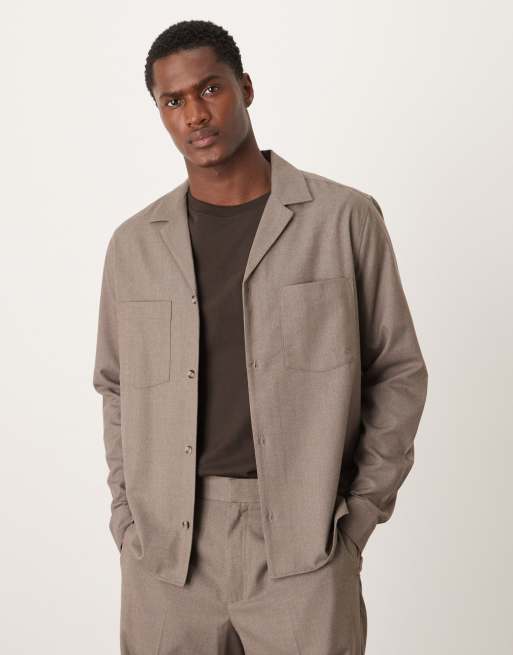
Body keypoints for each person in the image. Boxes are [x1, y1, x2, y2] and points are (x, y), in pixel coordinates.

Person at [92, 18, 429, 655]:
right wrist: (127, 519)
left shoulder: (343, 219)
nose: (195, 114)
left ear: (245, 87)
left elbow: (398, 372)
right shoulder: (133, 245)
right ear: (160, 113)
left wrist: (355, 521)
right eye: (173, 101)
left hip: (304, 545)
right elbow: (116, 387)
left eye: (209, 89)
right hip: (166, 558)